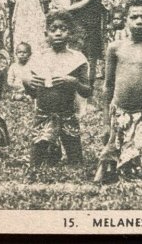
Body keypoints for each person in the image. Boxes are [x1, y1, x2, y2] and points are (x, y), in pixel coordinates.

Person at [95, 0, 142, 183]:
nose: (139, 21)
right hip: (120, 113)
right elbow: (108, 86)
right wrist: (106, 123)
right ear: (125, 20)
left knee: (136, 166)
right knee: (108, 161)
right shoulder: (115, 48)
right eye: (133, 17)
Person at [22, 10, 91, 167]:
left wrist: (73, 82)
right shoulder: (39, 58)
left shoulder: (77, 59)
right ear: (46, 33)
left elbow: (87, 91)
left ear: (71, 32)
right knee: (36, 163)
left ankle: (57, 148)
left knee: (76, 162)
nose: (58, 33)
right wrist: (27, 82)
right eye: (53, 30)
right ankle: (52, 149)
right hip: (43, 114)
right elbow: (33, 93)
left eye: (63, 29)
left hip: (67, 115)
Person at [67, 0, 103, 69]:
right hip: (75, 22)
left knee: (90, 55)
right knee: (75, 51)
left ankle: (89, 84)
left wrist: (64, 9)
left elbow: (84, 2)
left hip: (91, 24)